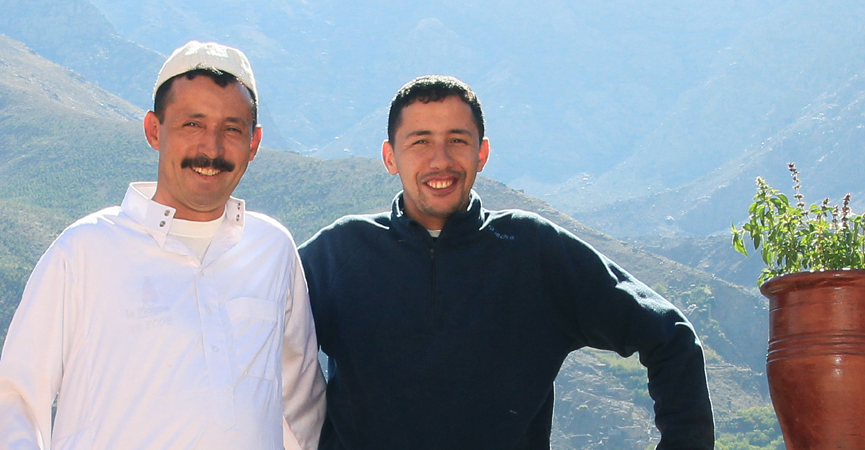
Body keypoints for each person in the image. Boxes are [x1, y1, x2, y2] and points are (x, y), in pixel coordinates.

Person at [297, 75, 715, 449]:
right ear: (390, 157)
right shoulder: (341, 253)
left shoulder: (530, 250)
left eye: (457, 140)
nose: (440, 160)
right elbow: (262, 339)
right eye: (420, 141)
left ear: (482, 153)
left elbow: (670, 337)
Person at [0, 41, 325, 450]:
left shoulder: (272, 250)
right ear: (154, 130)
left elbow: (300, 403)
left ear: (254, 142)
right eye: (192, 124)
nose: (211, 149)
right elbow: (16, 400)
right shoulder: (86, 250)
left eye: (232, 129)